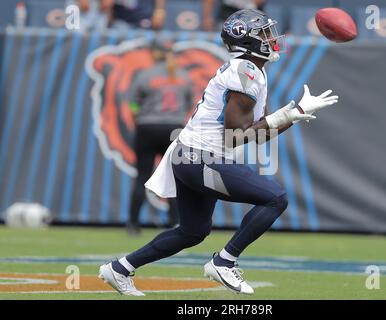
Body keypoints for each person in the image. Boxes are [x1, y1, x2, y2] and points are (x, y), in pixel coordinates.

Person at [99, 9, 338, 296]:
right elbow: (235, 135)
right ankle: (224, 261)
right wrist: (288, 114)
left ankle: (119, 269)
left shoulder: (249, 70)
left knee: (192, 231)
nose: (271, 38)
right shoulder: (246, 71)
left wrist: (293, 115)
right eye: (263, 33)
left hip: (191, 156)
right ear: (247, 41)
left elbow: (257, 134)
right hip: (200, 157)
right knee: (276, 198)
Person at [126, 39, 193, 236]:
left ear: (155, 53)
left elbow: (133, 105)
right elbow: (189, 105)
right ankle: (175, 223)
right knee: (173, 178)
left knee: (142, 176)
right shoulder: (183, 76)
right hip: (173, 128)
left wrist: (139, 117)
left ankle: (133, 224)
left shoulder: (145, 75)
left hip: (147, 127)